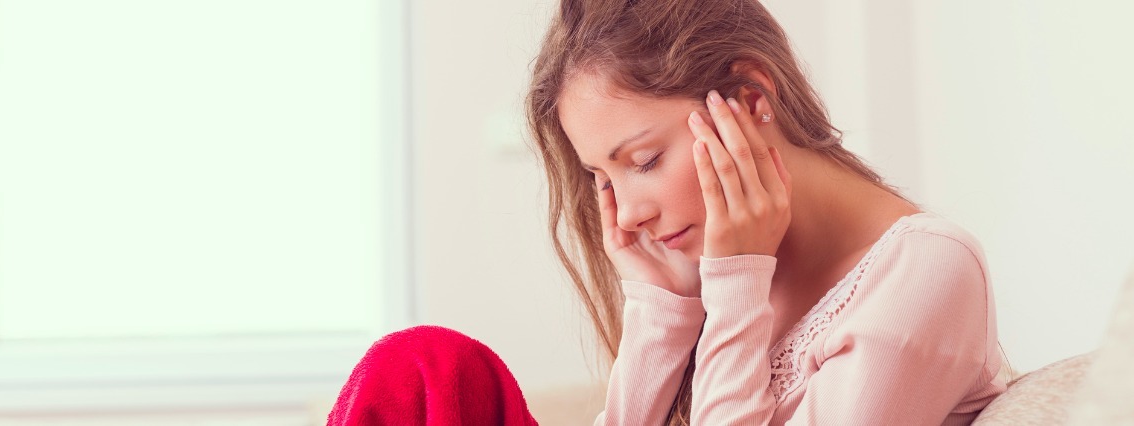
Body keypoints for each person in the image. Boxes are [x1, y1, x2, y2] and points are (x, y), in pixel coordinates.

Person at [329, 0, 1007, 424]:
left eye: (643, 161)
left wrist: (735, 281)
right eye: (603, 177)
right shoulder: (718, 273)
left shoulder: (925, 272)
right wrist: (663, 308)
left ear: (748, 96)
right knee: (425, 369)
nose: (625, 215)